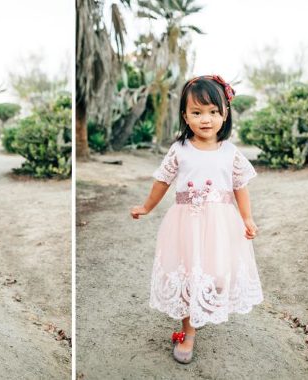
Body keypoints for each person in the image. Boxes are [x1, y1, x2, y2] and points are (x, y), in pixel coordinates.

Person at [130, 75, 264, 364]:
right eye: (197, 112)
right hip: (186, 224)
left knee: (215, 274)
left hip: (220, 225)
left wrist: (247, 218)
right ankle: (188, 331)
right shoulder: (180, 150)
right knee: (190, 275)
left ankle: (205, 304)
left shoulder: (230, 153)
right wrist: (146, 206)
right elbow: (162, 182)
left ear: (224, 114)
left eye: (213, 112)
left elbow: (240, 188)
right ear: (185, 117)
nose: (206, 119)